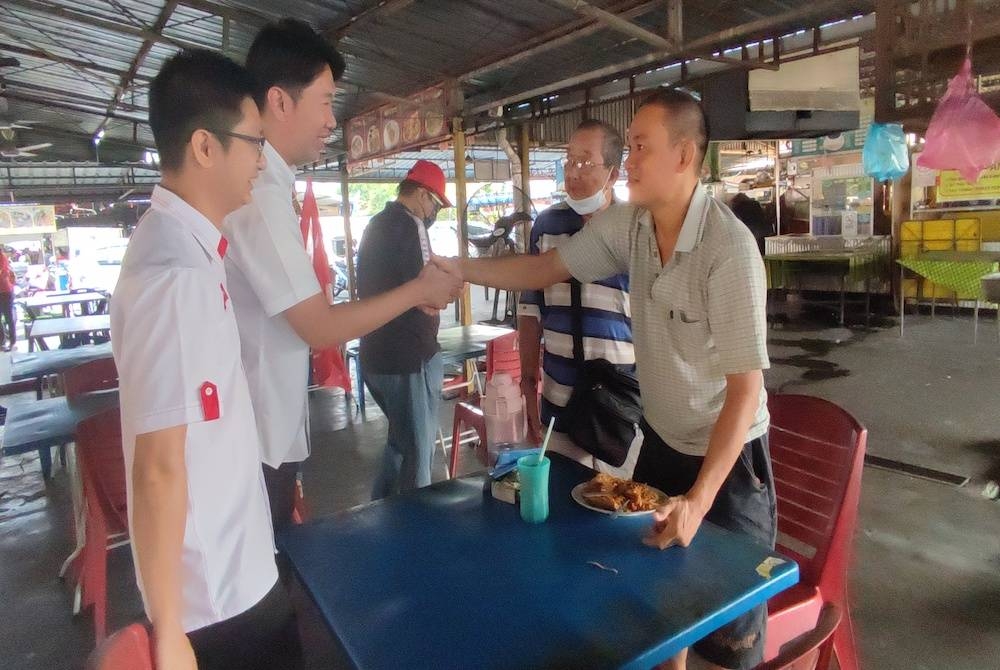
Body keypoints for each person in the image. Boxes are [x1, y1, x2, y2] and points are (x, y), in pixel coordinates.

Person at [442, 89, 774, 670]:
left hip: (729, 461)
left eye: (642, 147)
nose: (631, 162)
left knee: (728, 638)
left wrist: (698, 500)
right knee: (654, 608)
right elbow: (546, 268)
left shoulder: (729, 249)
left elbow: (745, 392)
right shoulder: (631, 225)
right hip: (661, 445)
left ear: (684, 155)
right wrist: (459, 269)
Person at [224, 19, 462, 533]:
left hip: (271, 425)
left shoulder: (271, 189)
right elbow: (319, 326)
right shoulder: (261, 195)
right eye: (327, 101)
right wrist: (421, 290)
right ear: (281, 102)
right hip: (259, 434)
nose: (333, 120)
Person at [111, 49, 301, 670]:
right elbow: (158, 466)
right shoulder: (176, 276)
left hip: (233, 571)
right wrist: (169, 632)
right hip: (217, 600)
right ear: (204, 147)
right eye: (253, 143)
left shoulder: (190, 252)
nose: (260, 161)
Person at [517, 119, 636, 476]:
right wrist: (527, 384)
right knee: (563, 505)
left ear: (613, 174)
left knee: (621, 511)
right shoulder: (547, 225)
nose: (573, 172)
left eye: (585, 162)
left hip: (621, 406)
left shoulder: (636, 227)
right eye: (569, 161)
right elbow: (529, 309)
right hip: (559, 400)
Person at [357, 160, 453, 499]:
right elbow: (426, 292)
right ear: (424, 196)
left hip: (375, 356)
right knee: (418, 453)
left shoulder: (376, 225)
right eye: (437, 205)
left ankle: (377, 511)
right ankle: (419, 530)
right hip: (408, 357)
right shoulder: (411, 225)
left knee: (400, 442)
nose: (435, 213)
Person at [0, 249, 15, 351]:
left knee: (8, 317)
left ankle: (12, 341)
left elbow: (2, 272)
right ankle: (2, 341)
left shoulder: (2, 257)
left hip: (5, 291)